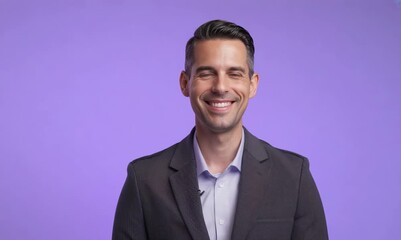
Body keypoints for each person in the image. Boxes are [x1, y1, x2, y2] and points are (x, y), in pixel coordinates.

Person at [112, 19, 328, 240]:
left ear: (252, 84)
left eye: (234, 74)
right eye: (206, 73)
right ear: (185, 83)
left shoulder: (293, 176)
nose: (221, 87)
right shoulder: (144, 180)